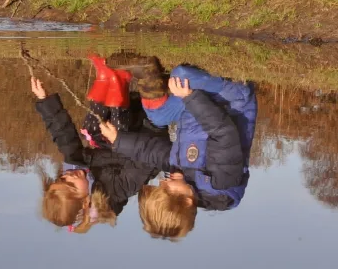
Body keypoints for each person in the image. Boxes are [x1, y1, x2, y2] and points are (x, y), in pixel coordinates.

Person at [99, 62, 257, 239]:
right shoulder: (220, 182)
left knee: (158, 117)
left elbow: (154, 153)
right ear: (188, 201)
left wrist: (118, 141)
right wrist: (190, 97)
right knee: (181, 75)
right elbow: (224, 132)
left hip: (194, 104)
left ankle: (147, 69)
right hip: (231, 101)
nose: (162, 183)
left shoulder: (183, 178)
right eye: (166, 189)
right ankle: (180, 78)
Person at [31, 55, 157, 233]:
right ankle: (120, 79)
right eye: (72, 186)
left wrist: (45, 100)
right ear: (85, 201)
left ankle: (104, 79)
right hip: (146, 135)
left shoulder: (75, 165)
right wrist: (120, 142)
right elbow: (145, 163)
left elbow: (63, 134)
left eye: (62, 179)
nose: (70, 176)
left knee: (90, 129)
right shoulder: (115, 192)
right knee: (118, 132)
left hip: (124, 119)